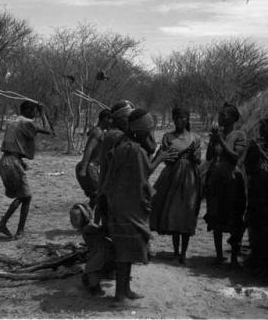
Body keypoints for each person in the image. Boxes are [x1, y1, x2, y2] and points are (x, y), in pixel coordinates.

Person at [105, 109, 177, 304]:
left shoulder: (127, 144)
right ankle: (120, 293)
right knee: (124, 251)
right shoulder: (134, 150)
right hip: (128, 206)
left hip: (124, 203)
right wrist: (160, 158)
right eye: (148, 132)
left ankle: (126, 289)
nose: (150, 135)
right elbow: (145, 174)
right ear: (139, 131)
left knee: (127, 249)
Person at [150, 105, 202, 265]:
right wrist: (179, 155)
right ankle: (175, 252)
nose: (180, 121)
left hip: (190, 179)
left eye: (183, 118)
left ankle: (184, 254)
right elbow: (166, 158)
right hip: (171, 177)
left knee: (187, 212)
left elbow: (198, 160)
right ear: (173, 120)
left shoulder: (195, 138)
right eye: (177, 118)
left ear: (187, 119)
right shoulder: (167, 137)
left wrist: (193, 154)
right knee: (173, 212)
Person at [0, 101, 51, 239]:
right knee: (26, 196)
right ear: (29, 111)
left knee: (23, 196)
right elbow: (47, 130)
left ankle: (4, 224)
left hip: (5, 161)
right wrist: (43, 112)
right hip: (12, 162)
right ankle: (17, 230)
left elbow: (14, 144)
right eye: (34, 111)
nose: (35, 114)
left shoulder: (12, 121)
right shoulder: (26, 122)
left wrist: (21, 161)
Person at [204, 103, 247, 266]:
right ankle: (219, 255)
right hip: (216, 180)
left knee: (234, 217)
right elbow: (209, 157)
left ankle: (234, 258)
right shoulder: (218, 135)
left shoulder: (239, 134)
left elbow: (235, 157)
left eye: (223, 116)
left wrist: (220, 140)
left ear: (232, 118)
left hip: (232, 181)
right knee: (215, 216)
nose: (220, 118)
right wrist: (211, 141)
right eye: (219, 115)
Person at [244, 114, 268, 270]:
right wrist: (253, 152)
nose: (260, 129)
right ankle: (255, 258)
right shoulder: (259, 145)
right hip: (256, 190)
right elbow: (248, 167)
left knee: (267, 227)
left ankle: (266, 264)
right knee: (254, 224)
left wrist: (261, 153)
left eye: (264, 126)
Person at [96, 101, 134, 224]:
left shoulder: (113, 133)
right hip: (113, 187)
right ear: (119, 118)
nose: (129, 122)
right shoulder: (116, 136)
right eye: (127, 118)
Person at [70, 203, 115, 295]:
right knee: (91, 270)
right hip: (99, 250)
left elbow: (103, 230)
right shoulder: (85, 228)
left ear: (84, 217)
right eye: (71, 219)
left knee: (91, 269)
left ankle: (96, 289)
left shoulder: (88, 227)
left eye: (75, 219)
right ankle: (99, 282)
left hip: (103, 250)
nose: (72, 222)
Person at [75, 109, 111, 209]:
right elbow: (89, 149)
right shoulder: (97, 132)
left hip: (90, 168)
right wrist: (84, 169)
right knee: (98, 195)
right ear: (105, 119)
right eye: (110, 119)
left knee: (96, 196)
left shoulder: (99, 131)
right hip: (89, 168)